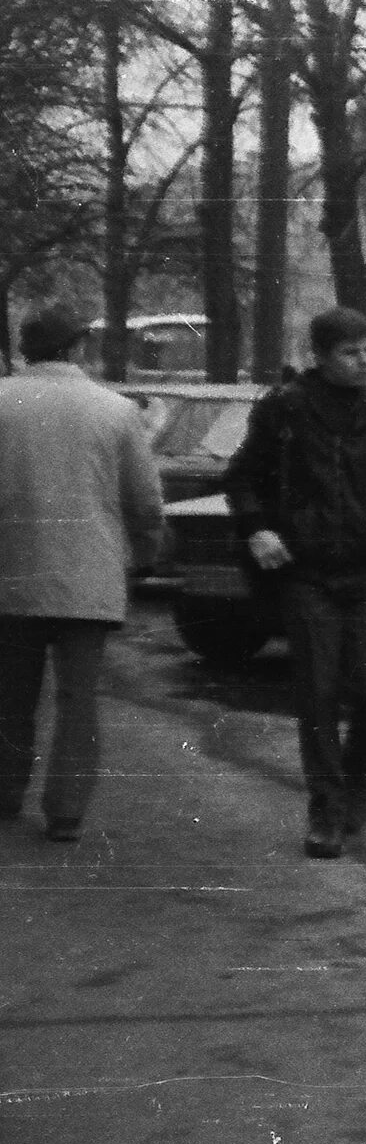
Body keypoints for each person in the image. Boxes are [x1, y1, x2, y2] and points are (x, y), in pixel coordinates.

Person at [223, 307, 366, 858]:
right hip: (308, 573)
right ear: (319, 357)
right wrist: (258, 529)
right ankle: (326, 810)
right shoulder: (284, 410)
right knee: (316, 692)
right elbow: (242, 476)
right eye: (350, 352)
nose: (364, 360)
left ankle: (357, 777)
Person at [0, 304, 166, 841]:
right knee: (78, 700)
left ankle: (5, 791)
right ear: (76, 348)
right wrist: (146, 555)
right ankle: (66, 811)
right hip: (87, 579)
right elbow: (144, 503)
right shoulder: (116, 412)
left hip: (9, 576)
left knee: (10, 696)